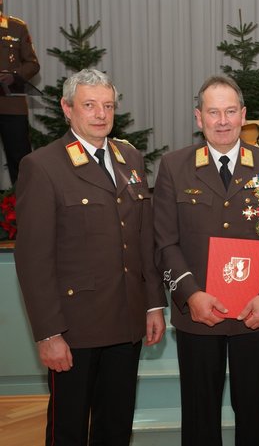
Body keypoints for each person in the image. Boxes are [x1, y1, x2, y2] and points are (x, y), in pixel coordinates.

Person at [14, 68, 167, 445]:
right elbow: (33, 259)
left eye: (108, 105)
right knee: (68, 429)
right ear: (67, 109)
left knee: (115, 426)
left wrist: (152, 306)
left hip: (126, 320)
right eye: (89, 105)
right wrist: (49, 333)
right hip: (74, 328)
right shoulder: (43, 166)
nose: (101, 114)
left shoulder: (129, 157)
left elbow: (143, 238)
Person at [153, 75, 259, 446]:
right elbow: (165, 241)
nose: (222, 120)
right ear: (198, 118)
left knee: (253, 414)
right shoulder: (174, 167)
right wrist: (190, 294)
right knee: (200, 417)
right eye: (213, 112)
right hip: (199, 314)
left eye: (230, 111)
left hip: (256, 312)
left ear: (243, 115)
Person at [0, 0, 40, 185]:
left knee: (20, 161)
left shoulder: (16, 27)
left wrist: (14, 76)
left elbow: (32, 64)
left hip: (11, 106)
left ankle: (24, 211)